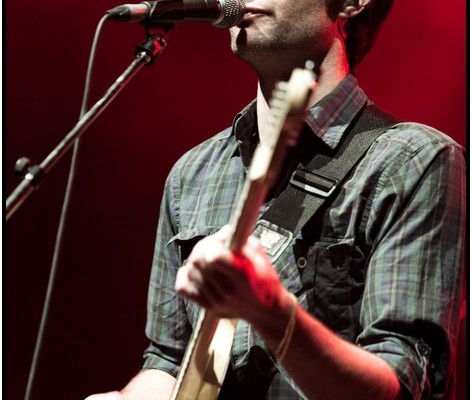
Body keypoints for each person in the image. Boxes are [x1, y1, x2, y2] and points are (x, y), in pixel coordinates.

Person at [87, 0, 465, 399]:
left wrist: (272, 314)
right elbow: (169, 361)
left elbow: (402, 385)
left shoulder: (415, 162)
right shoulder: (192, 174)